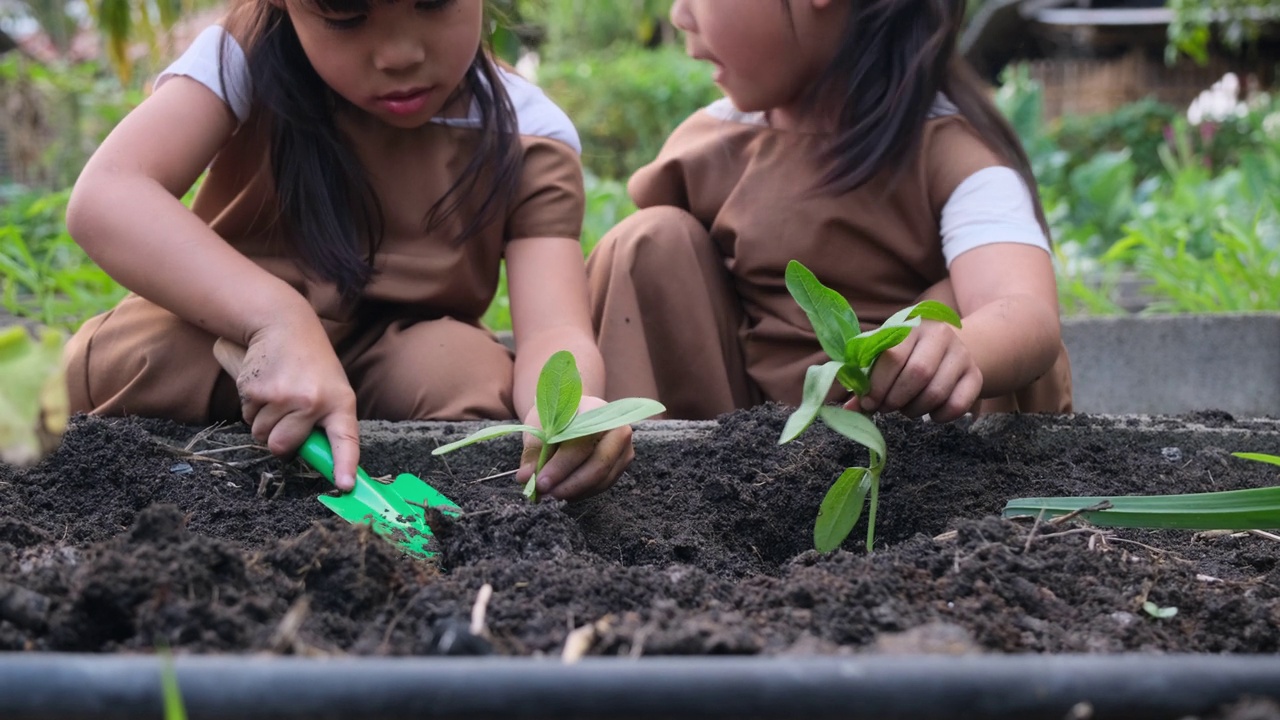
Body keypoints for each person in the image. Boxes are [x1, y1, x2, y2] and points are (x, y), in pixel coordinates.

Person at [63, 0, 630, 500]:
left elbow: (555, 330)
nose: (399, 54)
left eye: (433, 3)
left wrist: (567, 410)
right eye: (345, 16)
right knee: (135, 357)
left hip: (401, 351)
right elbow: (109, 194)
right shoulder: (242, 58)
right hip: (229, 332)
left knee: (469, 379)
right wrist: (277, 320)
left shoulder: (528, 133)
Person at [587, 0, 1073, 422]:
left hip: (916, 459)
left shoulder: (951, 158)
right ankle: (644, 498)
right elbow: (657, 297)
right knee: (645, 243)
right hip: (742, 469)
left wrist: (960, 350)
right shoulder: (712, 149)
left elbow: (1024, 309)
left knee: (984, 314)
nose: (679, 15)